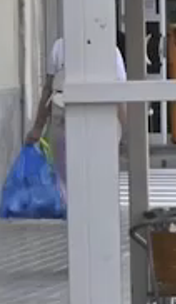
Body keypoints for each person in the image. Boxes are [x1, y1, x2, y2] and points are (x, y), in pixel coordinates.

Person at [25, 34, 128, 199]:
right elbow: (120, 96)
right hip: (99, 124)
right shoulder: (110, 51)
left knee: (67, 178)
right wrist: (125, 134)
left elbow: (48, 90)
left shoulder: (60, 47)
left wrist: (38, 127)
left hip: (64, 122)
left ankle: (72, 211)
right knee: (97, 177)